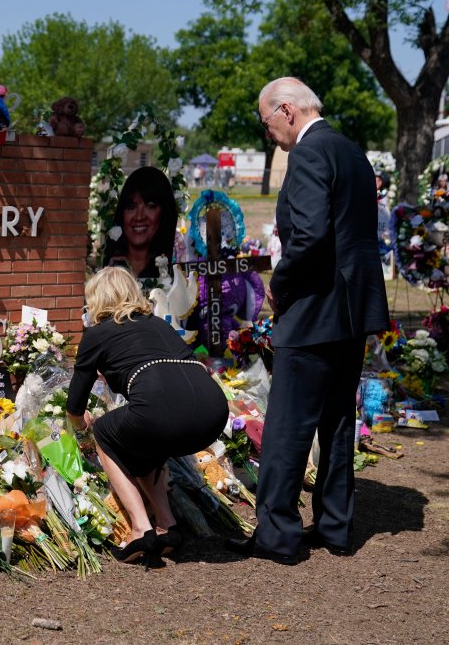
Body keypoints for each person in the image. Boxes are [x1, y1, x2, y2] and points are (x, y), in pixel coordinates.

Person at [227, 77, 389, 565]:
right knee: (338, 419)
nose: (268, 132)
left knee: (288, 424)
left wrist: (282, 282)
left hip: (316, 306)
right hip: (352, 307)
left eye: (266, 120)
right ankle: (336, 526)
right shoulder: (352, 151)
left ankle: (278, 534)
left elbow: (313, 233)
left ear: (287, 110)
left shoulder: (308, 152)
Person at [66, 267, 228, 565]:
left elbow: (75, 405)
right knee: (143, 437)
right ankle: (168, 526)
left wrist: (80, 427)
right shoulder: (158, 325)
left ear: (97, 299)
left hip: (163, 413)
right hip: (214, 411)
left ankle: (141, 529)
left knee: (105, 432)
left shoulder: (96, 334)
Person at [104, 166, 179, 279]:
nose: (139, 217)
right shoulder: (108, 269)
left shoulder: (177, 268)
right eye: (131, 207)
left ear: (164, 213)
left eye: (150, 206)